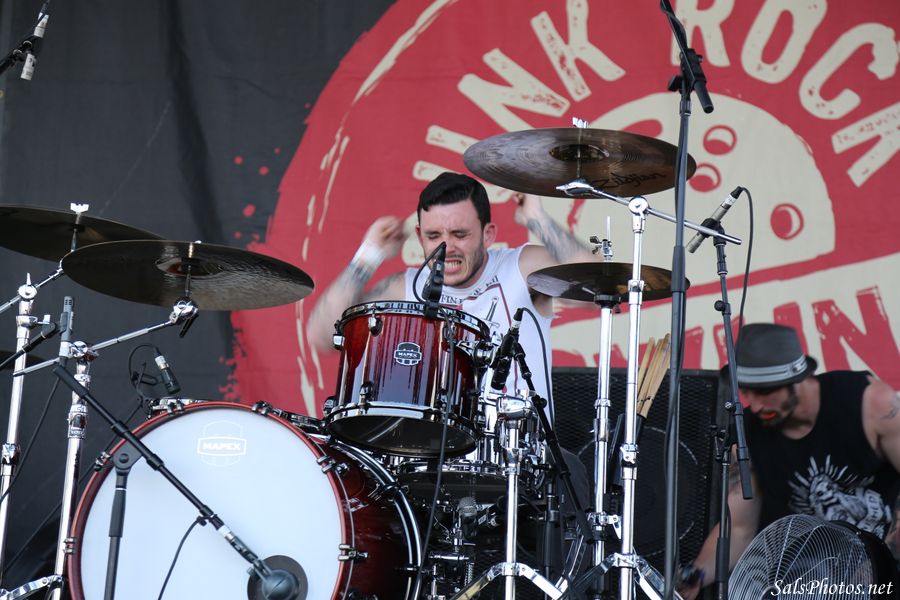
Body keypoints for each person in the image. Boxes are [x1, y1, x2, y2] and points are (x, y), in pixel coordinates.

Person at [679, 323, 900, 598]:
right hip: (815, 577)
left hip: (886, 561)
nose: (755, 405)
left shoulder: (872, 404)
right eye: (747, 392)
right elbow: (739, 528)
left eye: (764, 391)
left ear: (797, 378)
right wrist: (697, 574)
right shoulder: (749, 433)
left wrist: (882, 558)